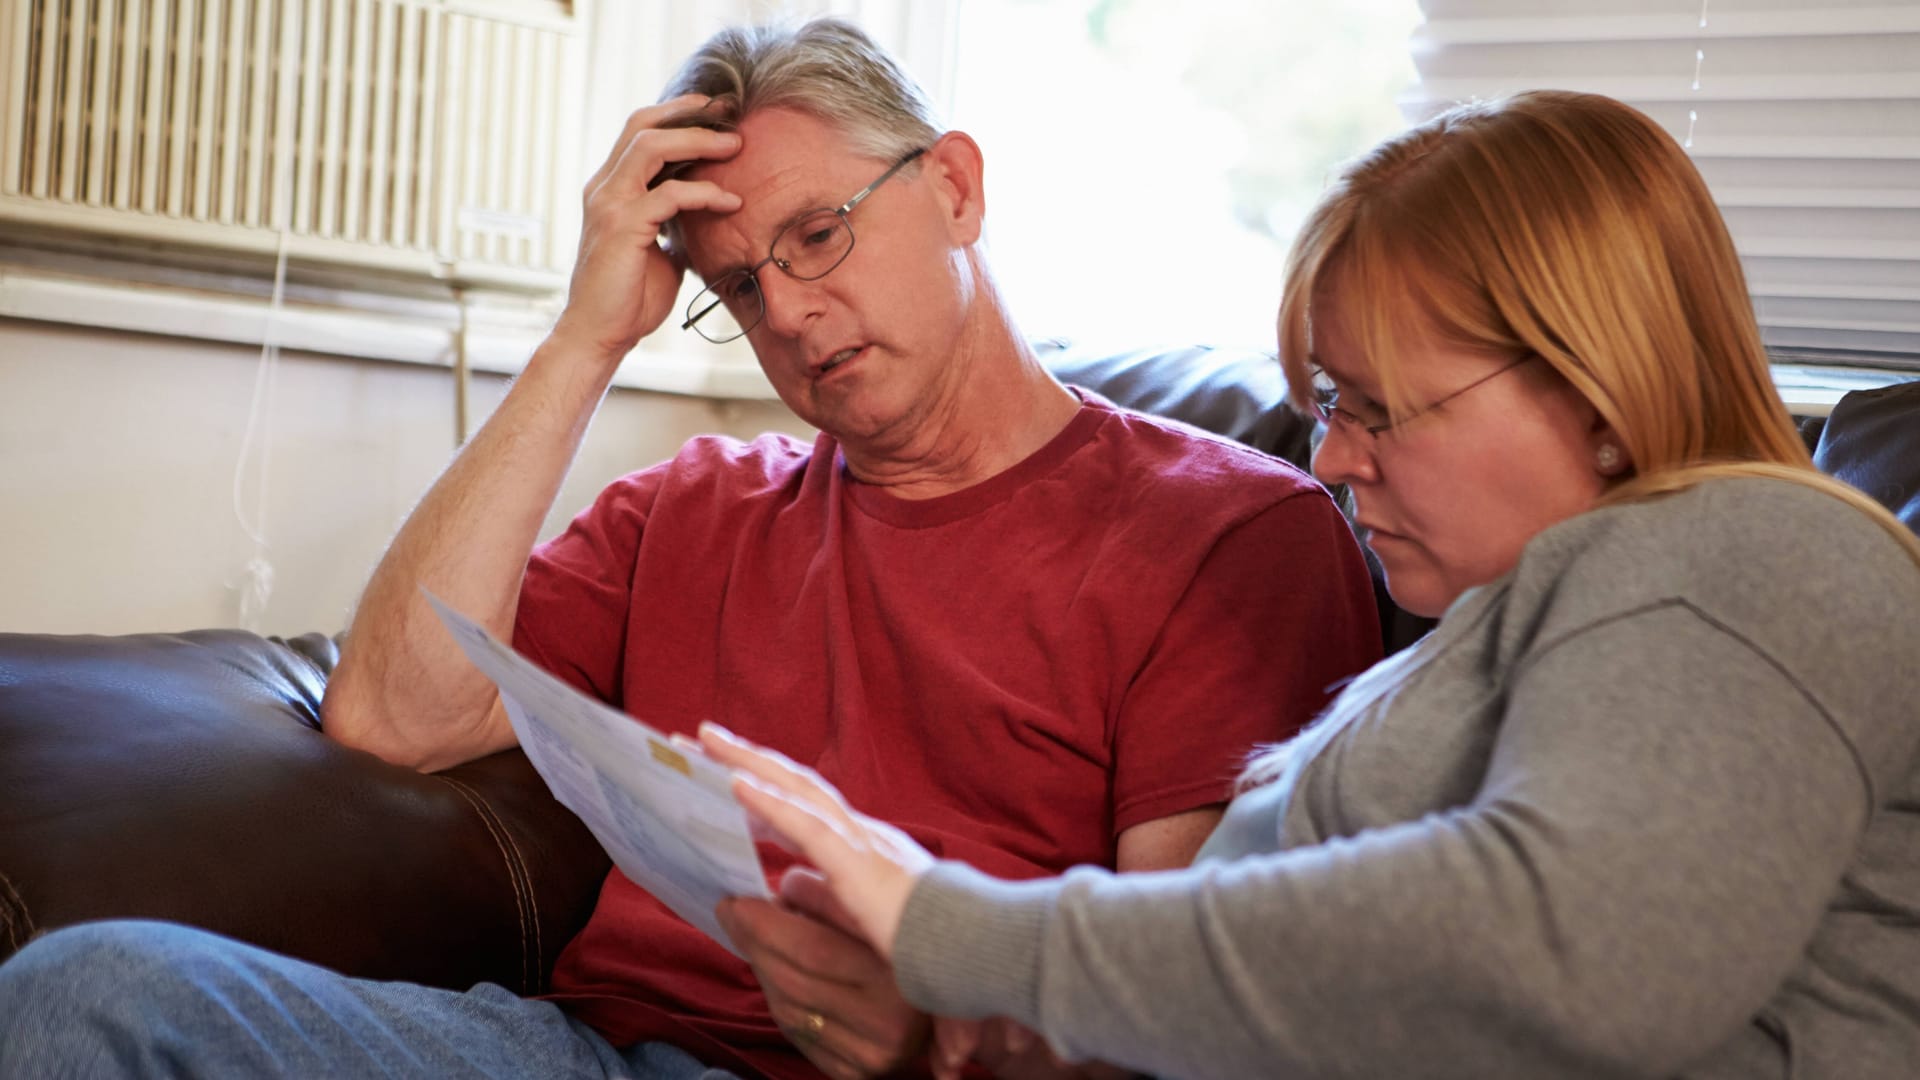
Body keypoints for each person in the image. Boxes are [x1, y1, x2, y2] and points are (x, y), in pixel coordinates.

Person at [0, 16, 1381, 1080]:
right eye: (737, 285)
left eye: (819, 234)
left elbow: (1183, 997)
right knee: (85, 992)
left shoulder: (1229, 531)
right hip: (597, 1053)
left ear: (954, 188)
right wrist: (587, 335)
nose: (787, 312)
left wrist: (938, 1029)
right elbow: (389, 715)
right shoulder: (699, 506)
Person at [693, 89, 1920, 1080]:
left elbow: (1577, 948)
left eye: (1379, 408)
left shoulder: (1756, 552)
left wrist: (957, 932)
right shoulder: (1496, 631)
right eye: (1326, 407)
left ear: (1595, 393)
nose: (1329, 459)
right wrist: (1010, 1034)